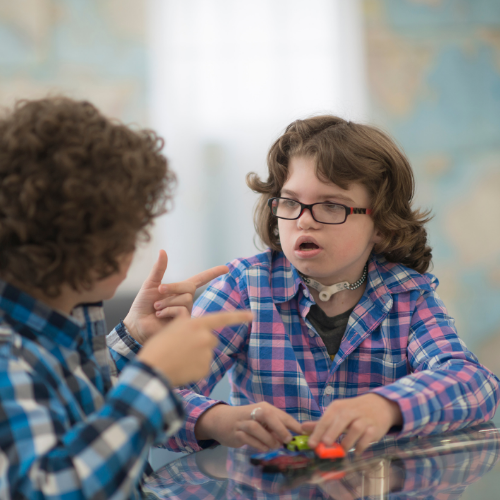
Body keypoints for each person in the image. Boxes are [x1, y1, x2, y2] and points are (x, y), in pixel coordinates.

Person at [163, 115, 500, 455]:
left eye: (331, 205)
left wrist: (388, 406)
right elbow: (153, 399)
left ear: (381, 225)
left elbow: (475, 385)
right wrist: (218, 420)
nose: (304, 219)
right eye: (291, 202)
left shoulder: (408, 296)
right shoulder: (243, 287)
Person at [0, 97, 252, 499]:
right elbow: (50, 489)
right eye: (132, 232)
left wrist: (134, 336)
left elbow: (83, 410)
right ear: (89, 244)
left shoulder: (66, 318)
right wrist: (154, 377)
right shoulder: (8, 352)